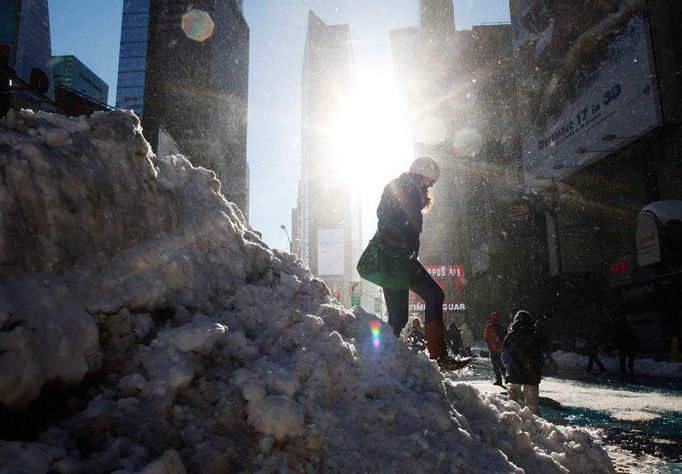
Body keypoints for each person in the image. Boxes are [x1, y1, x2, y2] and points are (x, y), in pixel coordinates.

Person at [366, 157, 469, 370]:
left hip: (400, 261)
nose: (431, 184)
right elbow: (384, 216)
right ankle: (437, 357)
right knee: (430, 298)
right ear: (420, 174)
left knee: (399, 317)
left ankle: (383, 361)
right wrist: (401, 234)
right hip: (398, 261)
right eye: (431, 179)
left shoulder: (409, 191)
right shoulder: (403, 188)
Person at [502, 310, 543, 416]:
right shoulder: (535, 335)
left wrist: (509, 368)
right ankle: (535, 428)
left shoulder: (511, 336)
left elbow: (505, 356)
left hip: (514, 373)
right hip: (532, 374)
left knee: (512, 403)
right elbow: (540, 356)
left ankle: (512, 425)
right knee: (532, 405)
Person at [483, 312, 506, 386]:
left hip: (493, 349)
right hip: (500, 349)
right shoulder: (501, 327)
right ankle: (507, 379)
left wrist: (491, 342)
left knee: (495, 365)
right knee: (501, 365)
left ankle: (499, 380)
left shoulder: (488, 327)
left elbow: (486, 338)